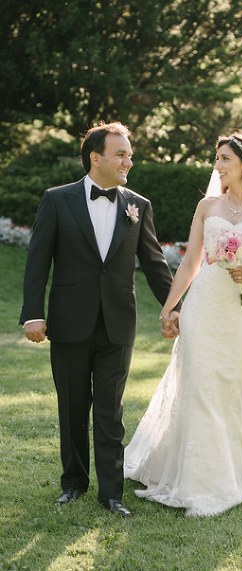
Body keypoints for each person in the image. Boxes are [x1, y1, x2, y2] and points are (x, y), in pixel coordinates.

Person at [123, 134, 242, 517]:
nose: (218, 165)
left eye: (224, 158)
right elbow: (190, 263)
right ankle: (198, 475)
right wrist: (170, 308)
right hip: (203, 305)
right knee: (200, 382)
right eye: (217, 158)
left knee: (236, 384)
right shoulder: (207, 206)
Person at [19, 121, 181, 518]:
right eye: (121, 154)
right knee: (72, 406)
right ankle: (73, 483)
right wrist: (32, 315)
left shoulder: (137, 205)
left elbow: (155, 264)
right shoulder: (57, 200)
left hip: (117, 322)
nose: (129, 160)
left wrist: (176, 306)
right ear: (96, 158)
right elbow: (38, 261)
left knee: (110, 410)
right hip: (69, 321)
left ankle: (112, 493)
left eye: (129, 154)